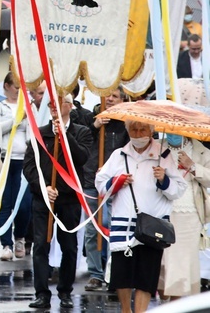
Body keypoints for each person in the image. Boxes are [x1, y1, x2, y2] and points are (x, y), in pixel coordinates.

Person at [95, 121, 187, 313]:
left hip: (152, 226)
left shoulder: (164, 155)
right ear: (128, 131)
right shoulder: (118, 155)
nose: (138, 134)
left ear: (151, 131)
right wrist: (116, 181)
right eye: (134, 130)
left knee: (146, 276)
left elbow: (178, 190)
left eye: (143, 129)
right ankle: (126, 310)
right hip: (123, 223)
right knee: (122, 275)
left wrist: (164, 179)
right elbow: (101, 185)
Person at [23, 94, 91, 309]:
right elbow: (29, 167)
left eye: (58, 101)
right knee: (40, 244)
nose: (53, 106)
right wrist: (43, 187)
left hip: (69, 199)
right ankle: (41, 293)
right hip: (44, 199)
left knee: (69, 247)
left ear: (70, 106)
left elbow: (82, 158)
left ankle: (65, 291)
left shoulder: (82, 132)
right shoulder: (39, 134)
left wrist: (64, 135)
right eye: (50, 102)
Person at [83, 87, 130, 291]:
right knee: (93, 228)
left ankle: (113, 273)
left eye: (115, 96)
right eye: (107, 95)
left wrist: (113, 171)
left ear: (123, 100)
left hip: (116, 182)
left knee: (115, 227)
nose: (110, 99)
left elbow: (129, 152)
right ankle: (95, 273)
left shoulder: (127, 123)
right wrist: (94, 126)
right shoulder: (89, 117)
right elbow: (79, 142)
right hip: (91, 180)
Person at [158, 133, 210, 299]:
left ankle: (175, 306)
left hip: (190, 213)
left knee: (182, 265)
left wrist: (192, 166)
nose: (174, 134)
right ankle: (164, 301)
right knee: (163, 263)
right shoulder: (157, 146)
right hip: (161, 211)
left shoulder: (200, 150)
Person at [0, 72, 31, 262]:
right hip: (5, 159)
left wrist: (28, 119)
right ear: (6, 86)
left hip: (24, 160)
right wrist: (15, 121)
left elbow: (34, 133)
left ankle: (20, 237)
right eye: (16, 87)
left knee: (23, 204)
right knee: (4, 204)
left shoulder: (29, 107)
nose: (19, 91)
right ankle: (6, 244)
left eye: (22, 88)